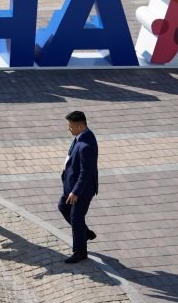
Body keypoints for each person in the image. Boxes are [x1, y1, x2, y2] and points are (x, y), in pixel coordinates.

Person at [58, 111, 98, 264]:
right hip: (71, 187)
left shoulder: (86, 145)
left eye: (71, 126)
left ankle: (80, 252)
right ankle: (84, 233)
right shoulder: (82, 136)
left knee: (76, 218)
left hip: (81, 190)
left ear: (80, 126)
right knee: (63, 207)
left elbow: (85, 173)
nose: (69, 128)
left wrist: (75, 192)